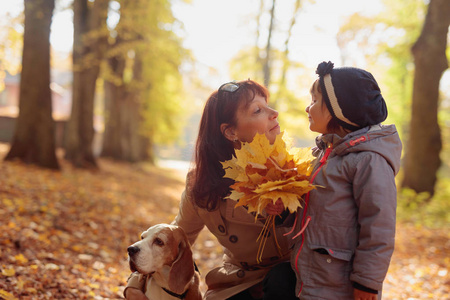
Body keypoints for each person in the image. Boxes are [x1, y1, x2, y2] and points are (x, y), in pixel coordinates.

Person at [124, 79, 298, 300]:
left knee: (281, 281)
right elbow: (175, 237)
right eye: (257, 110)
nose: (274, 113)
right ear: (230, 132)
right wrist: (135, 282)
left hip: (290, 278)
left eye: (268, 105)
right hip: (238, 282)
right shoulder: (202, 184)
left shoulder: (295, 170)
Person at [288, 61, 402, 299]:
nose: (308, 108)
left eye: (314, 101)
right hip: (311, 277)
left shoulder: (369, 161)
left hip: (341, 285)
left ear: (338, 110)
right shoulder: (322, 153)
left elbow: (378, 226)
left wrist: (367, 282)